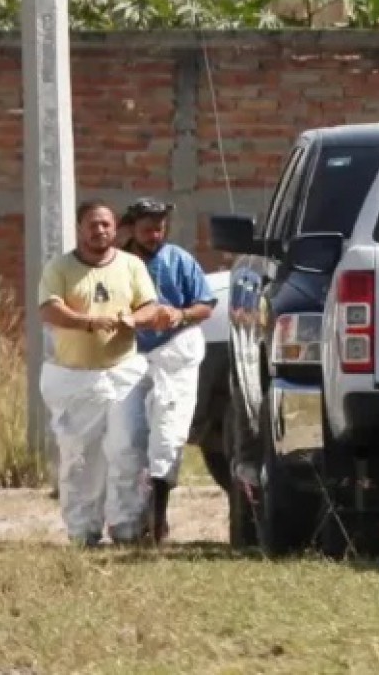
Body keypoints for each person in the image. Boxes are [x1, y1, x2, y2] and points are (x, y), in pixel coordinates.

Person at [36, 198, 164, 547]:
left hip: (124, 372)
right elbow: (49, 310)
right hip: (77, 377)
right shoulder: (60, 268)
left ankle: (127, 526)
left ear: (115, 228)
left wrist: (132, 319)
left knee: (128, 447)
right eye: (92, 224)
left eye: (106, 224)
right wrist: (89, 322)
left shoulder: (131, 265)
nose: (100, 230)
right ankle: (83, 531)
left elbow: (150, 307)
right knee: (82, 457)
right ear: (80, 228)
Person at [117, 197, 218, 544]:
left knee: (167, 435)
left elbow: (205, 304)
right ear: (131, 228)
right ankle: (127, 519)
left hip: (174, 354)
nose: (154, 236)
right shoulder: (118, 264)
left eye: (159, 229)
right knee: (127, 437)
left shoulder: (178, 259)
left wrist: (181, 314)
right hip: (128, 357)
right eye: (147, 229)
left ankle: (159, 520)